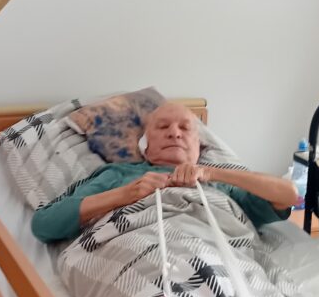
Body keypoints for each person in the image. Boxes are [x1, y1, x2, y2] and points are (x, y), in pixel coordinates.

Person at [32, 102, 298, 243]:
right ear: (145, 148)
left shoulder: (223, 184)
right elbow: (44, 225)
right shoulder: (118, 175)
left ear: (199, 146)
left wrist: (211, 173)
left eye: (185, 128)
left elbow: (287, 194)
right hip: (140, 253)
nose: (174, 133)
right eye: (162, 127)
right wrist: (125, 194)